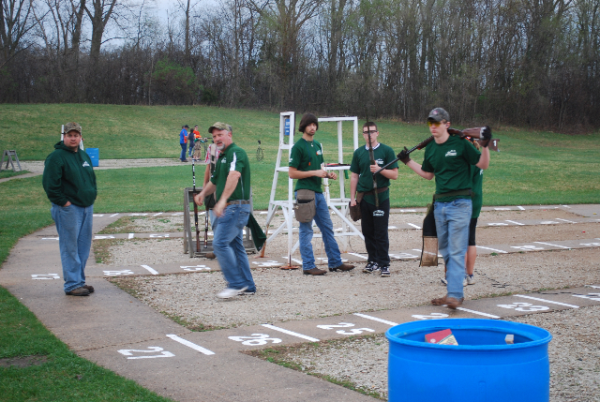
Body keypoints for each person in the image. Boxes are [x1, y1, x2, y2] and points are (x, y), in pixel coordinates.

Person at [400, 108, 491, 309]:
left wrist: (485, 146)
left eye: (437, 122)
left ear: (447, 124)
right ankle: (452, 292)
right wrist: (407, 161)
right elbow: (427, 174)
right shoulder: (431, 148)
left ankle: (455, 295)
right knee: (447, 252)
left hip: (461, 203)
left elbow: (482, 164)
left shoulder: (461, 144)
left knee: (457, 249)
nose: (433, 126)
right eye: (430, 123)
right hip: (440, 204)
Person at [194, 122, 256, 298]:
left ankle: (236, 284)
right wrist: (202, 193)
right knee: (236, 247)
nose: (217, 139)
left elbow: (234, 175)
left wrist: (222, 201)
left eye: (220, 134)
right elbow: (215, 181)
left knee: (220, 243)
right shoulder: (221, 156)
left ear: (229, 134)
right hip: (231, 207)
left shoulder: (237, 153)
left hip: (235, 207)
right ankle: (248, 285)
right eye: (214, 136)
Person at [288, 113, 355, 275]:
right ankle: (308, 266)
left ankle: (335, 262)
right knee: (306, 229)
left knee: (327, 227)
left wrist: (326, 174)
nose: (313, 127)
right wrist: (314, 173)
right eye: (310, 124)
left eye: (315, 124)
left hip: (318, 193)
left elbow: (320, 168)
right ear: (303, 126)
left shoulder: (317, 145)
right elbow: (292, 173)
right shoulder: (297, 147)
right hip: (304, 192)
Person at [42, 122, 97, 296]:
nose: (73, 138)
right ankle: (72, 284)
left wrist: (91, 196)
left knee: (83, 246)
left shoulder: (83, 156)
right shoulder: (56, 157)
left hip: (86, 207)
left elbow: (91, 179)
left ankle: (80, 281)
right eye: (69, 135)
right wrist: (64, 202)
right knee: (70, 247)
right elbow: (50, 184)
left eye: (76, 135)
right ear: (63, 137)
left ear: (81, 137)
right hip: (68, 209)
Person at [350, 122, 399, 277]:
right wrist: (352, 198)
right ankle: (372, 261)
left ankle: (384, 263)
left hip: (381, 197)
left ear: (377, 133)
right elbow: (354, 176)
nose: (369, 134)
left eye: (372, 131)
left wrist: (380, 170)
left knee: (381, 232)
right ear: (363, 135)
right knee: (368, 231)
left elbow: (395, 174)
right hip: (365, 198)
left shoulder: (386, 151)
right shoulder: (358, 153)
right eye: (366, 132)